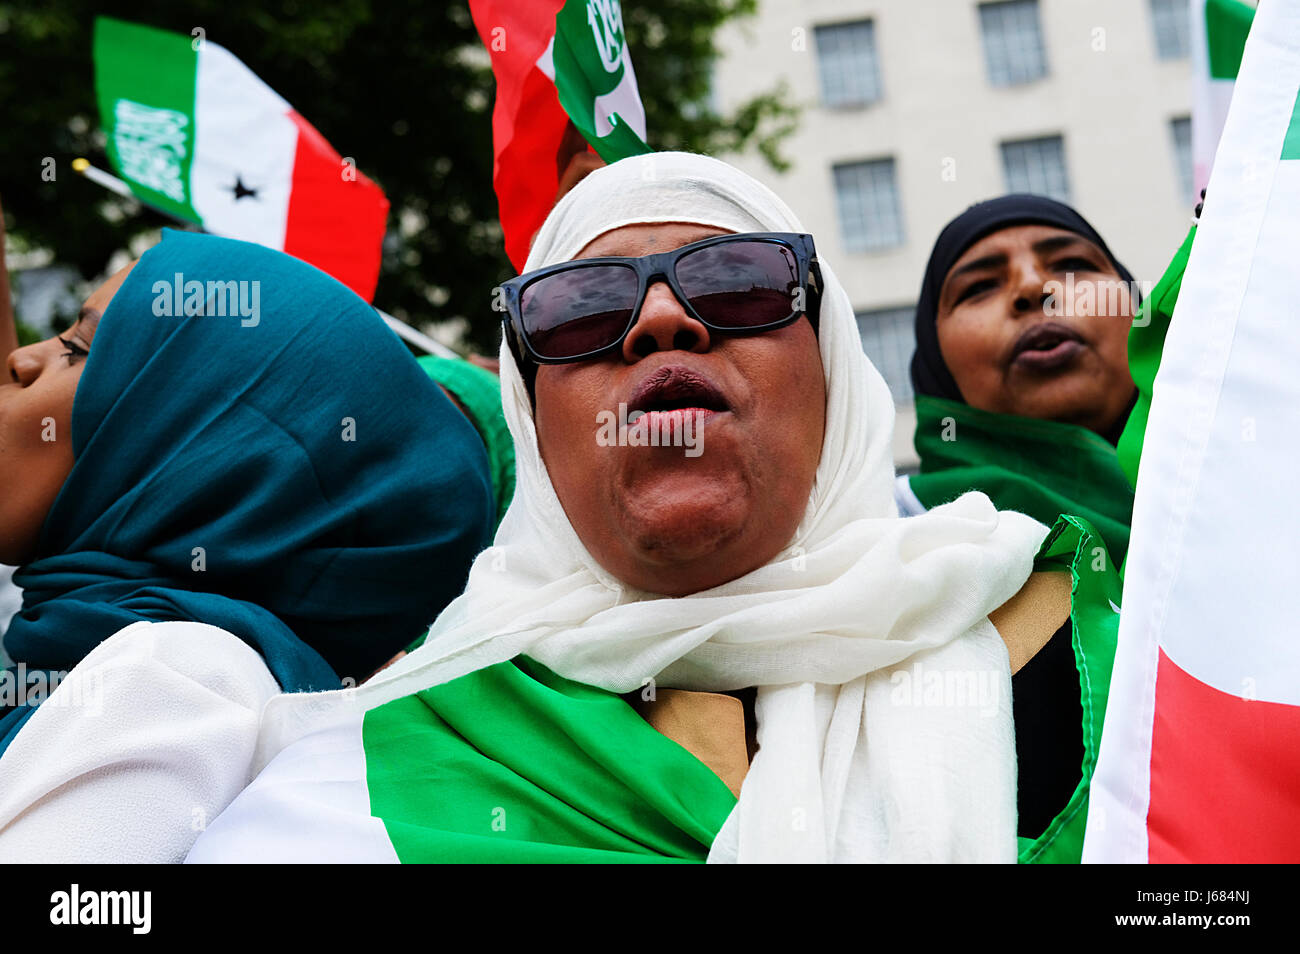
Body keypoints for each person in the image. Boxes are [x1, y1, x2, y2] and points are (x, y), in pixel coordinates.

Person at [186, 152, 1103, 865]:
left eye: (738, 281)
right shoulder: (381, 754)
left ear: (832, 372)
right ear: (532, 423)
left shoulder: (1106, 635)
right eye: (580, 308)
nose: (661, 320)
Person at [0, 229, 495, 861]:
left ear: (203, 448)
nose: (22, 360)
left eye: (77, 346)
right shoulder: (117, 649)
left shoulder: (170, 681)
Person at [899, 195, 1139, 566]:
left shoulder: (1248, 484)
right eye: (979, 287)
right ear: (936, 360)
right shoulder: (890, 543)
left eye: (1072, 265)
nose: (1033, 288)